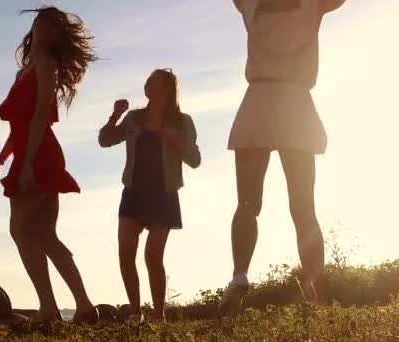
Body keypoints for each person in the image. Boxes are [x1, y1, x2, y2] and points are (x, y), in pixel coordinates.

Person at [219, 0, 347, 314]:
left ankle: (240, 274)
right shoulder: (313, 4)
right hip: (296, 103)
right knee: (304, 206)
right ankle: (315, 292)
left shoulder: (252, 4)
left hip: (259, 100)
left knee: (248, 203)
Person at [0, 6, 98, 324]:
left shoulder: (46, 66)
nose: (45, 30)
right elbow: (17, 126)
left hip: (40, 153)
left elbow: (38, 117)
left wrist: (29, 164)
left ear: (57, 36)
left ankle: (50, 307)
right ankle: (84, 307)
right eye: (41, 23)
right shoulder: (25, 72)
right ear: (33, 28)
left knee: (20, 230)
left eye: (53, 27)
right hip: (29, 152)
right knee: (45, 235)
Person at [99, 69, 201, 322]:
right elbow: (105, 140)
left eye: (152, 82)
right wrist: (115, 116)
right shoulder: (134, 118)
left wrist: (174, 140)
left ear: (167, 89)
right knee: (125, 254)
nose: (146, 86)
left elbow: (195, 160)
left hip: (164, 195)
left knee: (153, 256)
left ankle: (158, 315)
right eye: (146, 82)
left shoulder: (183, 121)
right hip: (133, 193)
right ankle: (136, 313)